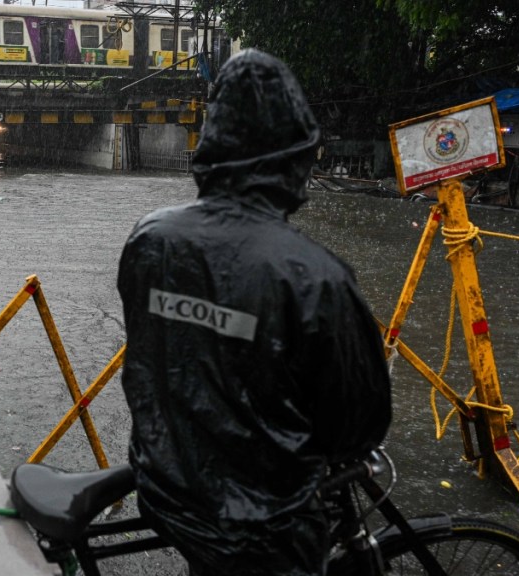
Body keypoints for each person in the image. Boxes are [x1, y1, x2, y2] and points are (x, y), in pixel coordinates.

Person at [116, 49, 392, 576]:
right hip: (266, 527)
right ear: (293, 157)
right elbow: (358, 423)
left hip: (169, 490)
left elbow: (160, 363)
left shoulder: (152, 238)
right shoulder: (313, 275)